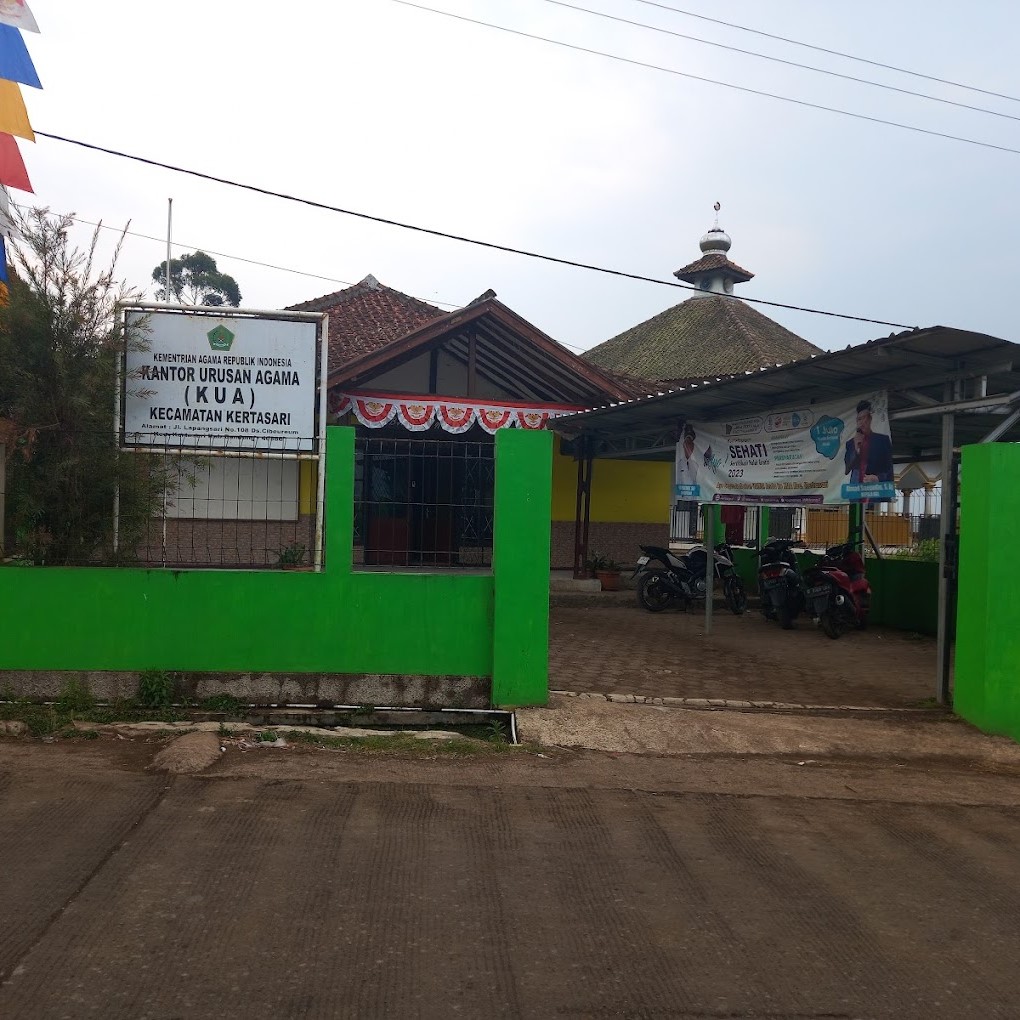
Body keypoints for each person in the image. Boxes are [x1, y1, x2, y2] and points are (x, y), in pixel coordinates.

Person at [844, 399, 893, 483]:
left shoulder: (882, 440)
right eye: (859, 419)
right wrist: (856, 448)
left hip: (877, 491)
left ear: (870, 419)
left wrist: (878, 478)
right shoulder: (851, 443)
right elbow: (847, 470)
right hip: (857, 492)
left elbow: (890, 470)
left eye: (864, 418)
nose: (862, 422)